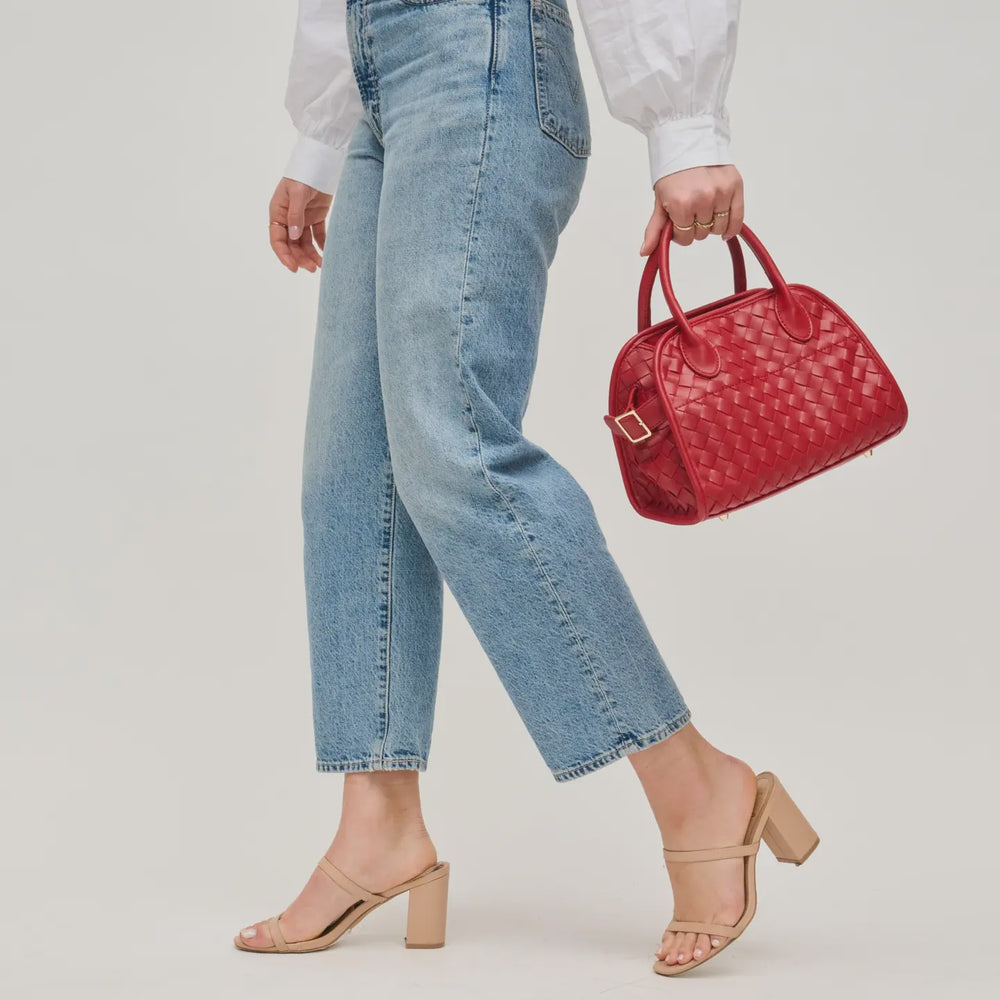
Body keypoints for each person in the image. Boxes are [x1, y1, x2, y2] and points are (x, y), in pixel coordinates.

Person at [235, 0, 817, 977]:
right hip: (380, 74)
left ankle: (697, 784)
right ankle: (379, 821)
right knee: (352, 467)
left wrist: (685, 125)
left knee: (457, 449)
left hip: (481, 52)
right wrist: (322, 133)